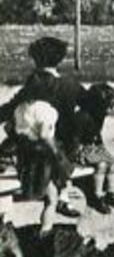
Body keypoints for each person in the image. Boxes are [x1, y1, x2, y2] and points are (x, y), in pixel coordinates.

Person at [0, 36, 85, 219]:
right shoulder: (69, 85)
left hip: (28, 150)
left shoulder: (32, 84)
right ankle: (62, 196)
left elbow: (9, 110)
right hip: (60, 147)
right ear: (60, 59)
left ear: (35, 58)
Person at [61, 83, 114, 212]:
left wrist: (101, 148)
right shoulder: (82, 117)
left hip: (92, 147)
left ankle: (112, 193)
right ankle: (97, 195)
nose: (110, 111)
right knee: (101, 164)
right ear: (97, 105)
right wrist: (74, 156)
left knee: (112, 161)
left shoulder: (98, 115)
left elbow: (96, 134)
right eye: (108, 107)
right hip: (80, 149)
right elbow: (74, 140)